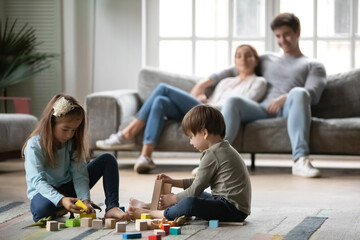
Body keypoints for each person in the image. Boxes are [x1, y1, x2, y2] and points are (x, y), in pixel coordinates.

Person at [96, 44, 267, 174]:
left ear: (256, 60)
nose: (243, 58)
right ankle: (146, 157)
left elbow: (242, 104)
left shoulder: (259, 82)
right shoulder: (225, 82)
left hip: (216, 115)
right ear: (235, 62)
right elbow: (213, 100)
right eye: (239, 56)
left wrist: (208, 105)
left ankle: (126, 134)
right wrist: (203, 99)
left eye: (248, 55)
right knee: (160, 102)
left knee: (163, 88)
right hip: (206, 109)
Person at [197, 13, 326, 178]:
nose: (282, 40)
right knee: (234, 101)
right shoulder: (266, 59)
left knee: (299, 92)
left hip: (289, 106)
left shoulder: (313, 65)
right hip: (261, 108)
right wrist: (203, 83)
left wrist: (284, 98)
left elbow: (313, 94)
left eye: (287, 34)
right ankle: (213, 160)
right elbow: (234, 69)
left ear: (298, 32)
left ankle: (300, 160)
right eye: (278, 36)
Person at [128, 105, 251, 222]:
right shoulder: (222, 148)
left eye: (191, 137)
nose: (191, 142)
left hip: (232, 210)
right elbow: (200, 182)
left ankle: (155, 214)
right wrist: (174, 182)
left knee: (190, 202)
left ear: (204, 133)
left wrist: (173, 198)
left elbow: (194, 190)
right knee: (196, 196)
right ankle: (149, 206)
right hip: (232, 207)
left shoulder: (212, 154)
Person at [22, 94, 129, 222]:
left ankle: (112, 207)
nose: (69, 135)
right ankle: (63, 205)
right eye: (65, 129)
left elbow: (80, 175)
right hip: (44, 192)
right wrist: (61, 199)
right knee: (41, 214)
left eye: (74, 130)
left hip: (68, 187)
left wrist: (85, 200)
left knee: (107, 159)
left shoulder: (72, 143)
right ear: (51, 123)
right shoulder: (34, 146)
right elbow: (37, 181)